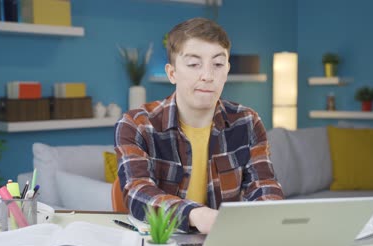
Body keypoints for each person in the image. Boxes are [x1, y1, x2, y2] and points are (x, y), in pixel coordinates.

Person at [115, 17, 283, 234]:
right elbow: (138, 193)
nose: (207, 76)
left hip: (227, 240)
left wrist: (269, 215)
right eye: (194, 64)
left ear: (227, 70)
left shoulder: (248, 122)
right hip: (163, 243)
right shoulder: (136, 125)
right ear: (172, 73)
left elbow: (264, 186)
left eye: (218, 64)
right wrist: (196, 215)